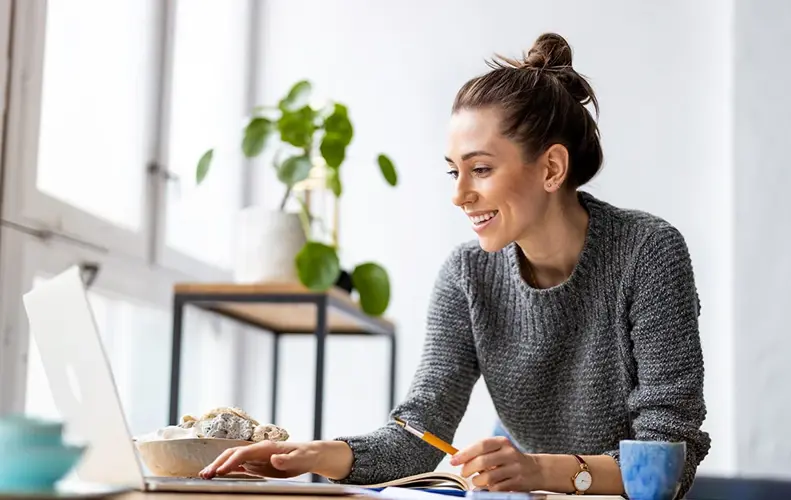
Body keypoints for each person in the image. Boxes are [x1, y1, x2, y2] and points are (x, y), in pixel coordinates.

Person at [200, 32, 711, 497]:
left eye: (480, 169)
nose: (460, 195)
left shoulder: (648, 252)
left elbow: (668, 460)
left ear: (552, 168)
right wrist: (314, 456)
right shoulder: (467, 275)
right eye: (453, 172)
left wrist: (538, 470)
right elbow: (419, 433)